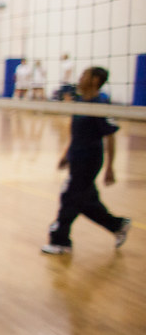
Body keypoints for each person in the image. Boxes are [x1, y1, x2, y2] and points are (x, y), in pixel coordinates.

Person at [42, 67, 131, 254]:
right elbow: (76, 133)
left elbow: (110, 136)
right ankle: (117, 225)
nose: (80, 78)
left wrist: (110, 167)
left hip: (89, 160)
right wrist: (66, 154)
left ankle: (60, 240)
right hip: (77, 157)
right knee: (86, 201)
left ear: (95, 80)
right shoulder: (81, 101)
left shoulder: (100, 104)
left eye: (84, 75)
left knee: (70, 197)